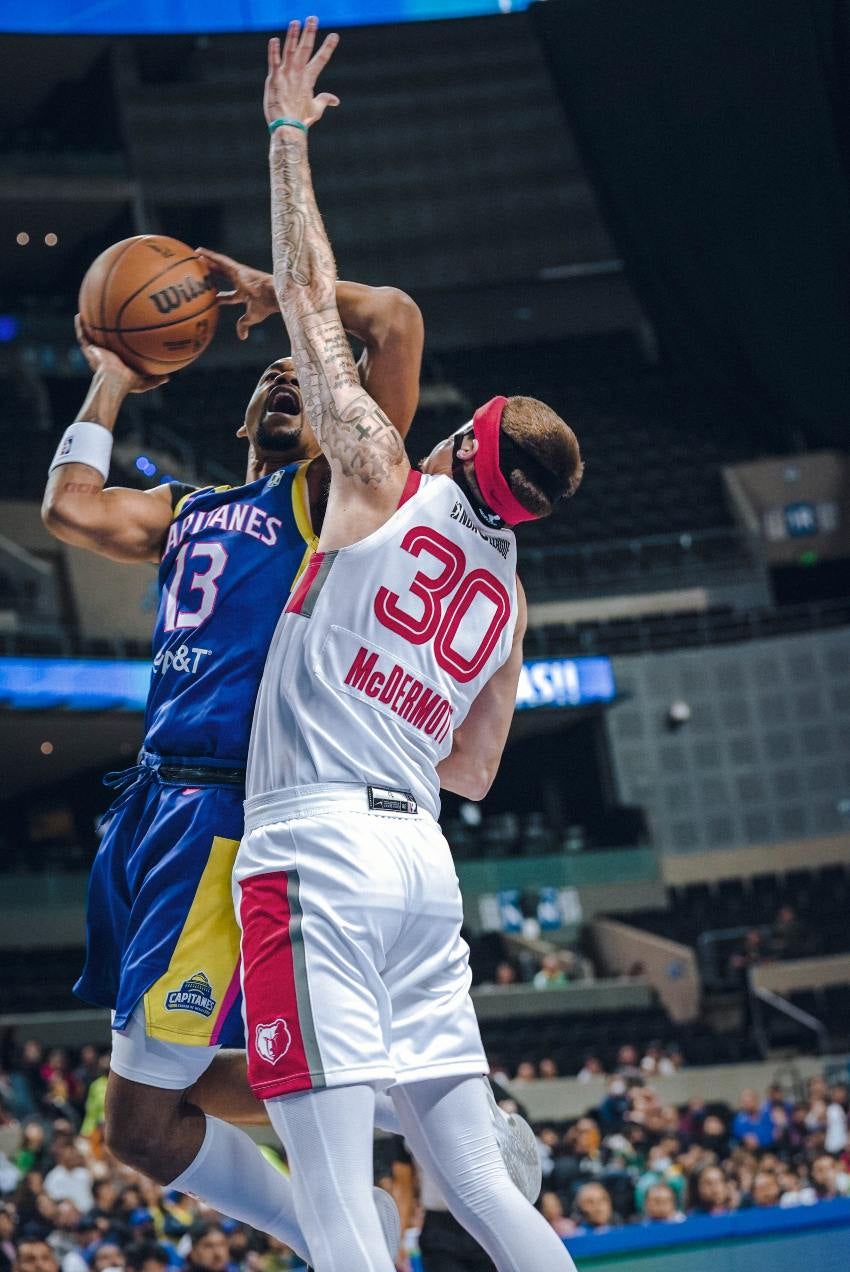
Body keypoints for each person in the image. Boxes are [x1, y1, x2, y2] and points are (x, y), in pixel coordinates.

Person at [233, 20, 583, 1271]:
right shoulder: (511, 592)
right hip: (420, 865)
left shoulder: (379, 474)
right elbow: (475, 773)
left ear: (463, 442)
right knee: (481, 1189)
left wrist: (286, 138)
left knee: (334, 1195)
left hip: (313, 844)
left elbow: (311, 293)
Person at [42, 239, 423, 1262]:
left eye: (314, 369)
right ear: (243, 412)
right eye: (277, 368)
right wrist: (110, 379)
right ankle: (396, 1145)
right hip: (150, 809)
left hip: (226, 814)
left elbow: (390, 316)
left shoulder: (335, 501)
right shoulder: (193, 513)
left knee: (139, 1123)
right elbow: (68, 507)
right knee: (141, 1120)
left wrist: (282, 294)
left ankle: (423, 1112)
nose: (295, 373)